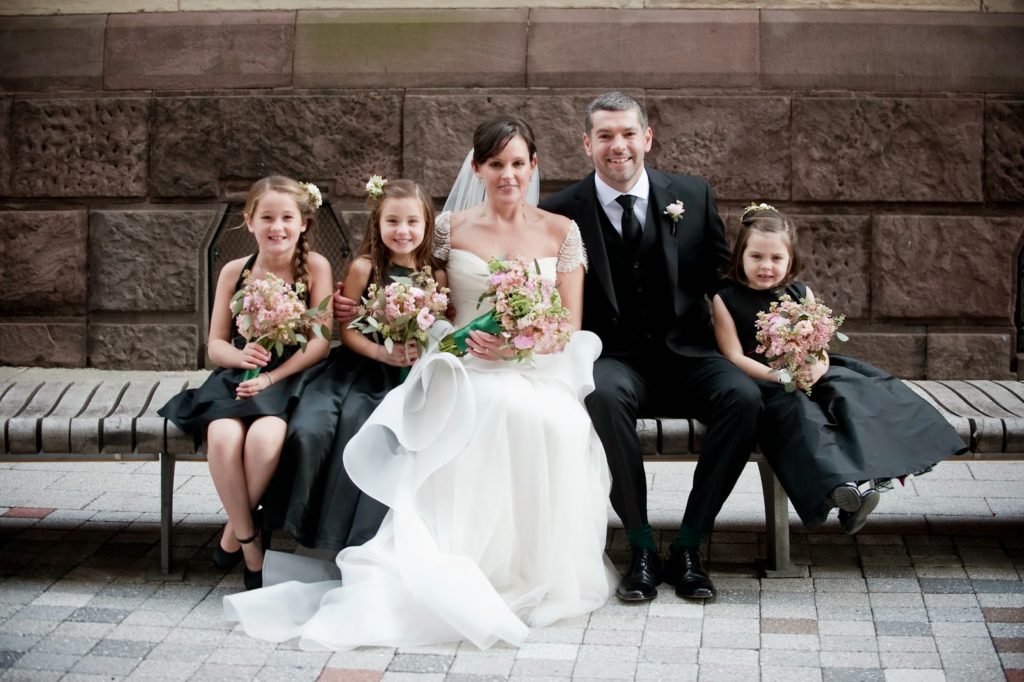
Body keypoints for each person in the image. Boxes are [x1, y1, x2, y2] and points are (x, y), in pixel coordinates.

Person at [223, 115, 616, 649]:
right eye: (496, 163)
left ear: (534, 167)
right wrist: (354, 305)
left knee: (553, 420)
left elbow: (569, 324)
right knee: (491, 410)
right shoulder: (451, 228)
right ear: (477, 168)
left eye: (518, 164)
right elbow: (406, 282)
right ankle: (465, 559)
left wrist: (519, 343)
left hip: (537, 365)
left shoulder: (560, 231)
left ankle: (531, 566)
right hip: (463, 363)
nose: (507, 174)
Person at [540, 91, 760, 601]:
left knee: (745, 399)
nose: (618, 146)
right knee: (599, 396)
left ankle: (688, 545)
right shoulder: (558, 212)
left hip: (690, 355)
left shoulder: (693, 195)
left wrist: (781, 330)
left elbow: (726, 284)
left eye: (628, 134)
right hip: (615, 359)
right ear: (586, 144)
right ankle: (639, 546)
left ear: (647, 138)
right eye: (605, 136)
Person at [712, 203, 968, 533]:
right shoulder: (726, 298)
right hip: (766, 379)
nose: (766, 266)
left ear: (790, 260)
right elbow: (733, 356)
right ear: (740, 256)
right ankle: (841, 488)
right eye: (756, 257)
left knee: (852, 395)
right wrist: (781, 375)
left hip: (807, 371)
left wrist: (817, 368)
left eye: (776, 258)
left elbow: (819, 344)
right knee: (801, 414)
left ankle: (862, 485)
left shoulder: (800, 292)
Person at [159, 175, 333, 589]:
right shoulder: (234, 271)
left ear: (304, 223)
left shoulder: (315, 268)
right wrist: (241, 357)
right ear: (249, 221)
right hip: (238, 376)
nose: (278, 227)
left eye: (287, 217)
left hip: (291, 379)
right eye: (267, 217)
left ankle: (231, 534)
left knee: (264, 440)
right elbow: (215, 345)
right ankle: (251, 545)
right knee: (221, 438)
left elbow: (320, 345)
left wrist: (271, 375)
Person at [261, 179, 447, 551]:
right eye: (392, 221)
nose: (403, 231)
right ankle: (324, 530)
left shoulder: (436, 275)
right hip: (363, 364)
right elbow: (346, 333)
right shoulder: (364, 268)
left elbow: (438, 325)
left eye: (413, 222)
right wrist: (381, 353)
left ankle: (379, 532)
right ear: (377, 224)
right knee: (341, 421)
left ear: (427, 225)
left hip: (411, 370)